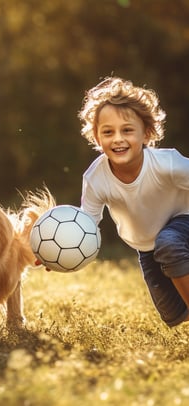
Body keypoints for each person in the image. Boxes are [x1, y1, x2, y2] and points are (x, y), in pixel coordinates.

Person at [79, 76, 189, 327]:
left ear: (146, 133)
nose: (117, 139)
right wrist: (58, 252)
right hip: (147, 246)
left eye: (127, 130)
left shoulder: (167, 164)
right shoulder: (95, 179)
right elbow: (86, 227)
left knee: (169, 242)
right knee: (174, 314)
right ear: (96, 137)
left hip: (184, 223)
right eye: (108, 132)